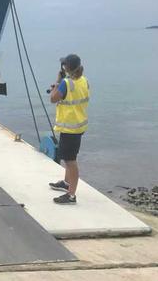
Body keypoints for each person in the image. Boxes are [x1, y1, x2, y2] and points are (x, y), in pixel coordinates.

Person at [48, 54, 90, 205]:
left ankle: (71, 195)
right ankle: (66, 183)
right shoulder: (84, 80)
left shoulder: (66, 83)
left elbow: (53, 98)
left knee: (70, 161)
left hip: (70, 129)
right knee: (68, 157)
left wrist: (57, 83)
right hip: (78, 125)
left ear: (67, 67)